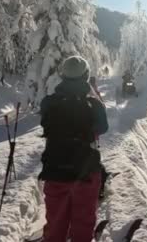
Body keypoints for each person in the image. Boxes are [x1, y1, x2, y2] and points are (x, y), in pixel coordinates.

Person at [39, 56, 109, 242]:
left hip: (54, 171)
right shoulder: (94, 105)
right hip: (85, 173)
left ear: (62, 76)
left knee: (55, 223)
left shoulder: (48, 102)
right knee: (83, 223)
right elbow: (102, 127)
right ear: (86, 76)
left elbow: (44, 120)